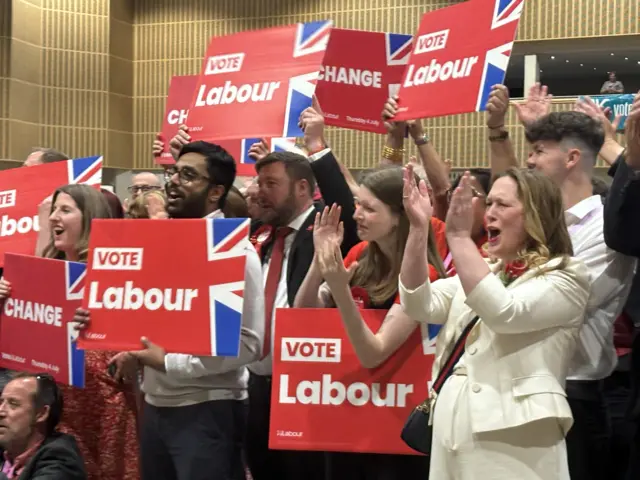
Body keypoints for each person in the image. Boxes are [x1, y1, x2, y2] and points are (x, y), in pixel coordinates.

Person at [78, 140, 265, 480]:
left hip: (208, 410)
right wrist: (102, 323)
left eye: (188, 175)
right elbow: (151, 314)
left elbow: (249, 344)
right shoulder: (161, 243)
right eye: (174, 172)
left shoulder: (235, 253)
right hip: (155, 406)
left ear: (215, 192)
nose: (174, 181)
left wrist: (167, 361)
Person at [399, 167, 590, 479]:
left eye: (503, 205)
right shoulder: (483, 269)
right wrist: (419, 230)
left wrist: (459, 238)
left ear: (536, 215)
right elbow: (418, 303)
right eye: (488, 203)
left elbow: (506, 314)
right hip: (450, 422)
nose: (490, 213)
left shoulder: (566, 274)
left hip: (515, 432)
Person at [487, 84, 636, 480]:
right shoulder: (532, 220)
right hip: (514, 384)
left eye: (538, 151)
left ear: (572, 158)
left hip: (573, 390)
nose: (530, 161)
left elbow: (549, 302)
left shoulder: (607, 227)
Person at [294, 165, 444, 479]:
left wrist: (339, 290)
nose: (357, 214)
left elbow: (374, 352)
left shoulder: (423, 277)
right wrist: (322, 260)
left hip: (395, 423)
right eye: (357, 205)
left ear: (400, 217)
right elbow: (304, 313)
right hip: (349, 409)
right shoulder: (360, 253)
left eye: (370, 209)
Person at [0, 184, 140, 479]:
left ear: (89, 217)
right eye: (53, 210)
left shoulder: (116, 272)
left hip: (102, 399)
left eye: (65, 210)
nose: (53, 218)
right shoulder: (43, 271)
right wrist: (5, 304)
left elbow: (141, 333)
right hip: (58, 399)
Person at [0, 373, 86, 479]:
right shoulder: (5, 451)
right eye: (1, 402)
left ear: (41, 414)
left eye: (13, 404)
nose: (1, 412)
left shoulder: (60, 458)